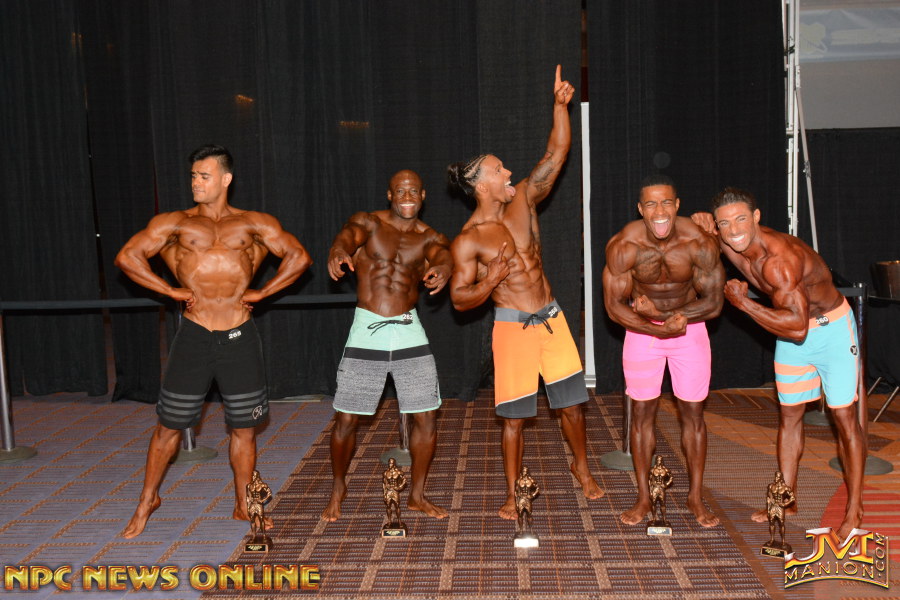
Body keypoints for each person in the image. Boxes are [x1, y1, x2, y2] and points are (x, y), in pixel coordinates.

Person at [115, 144, 311, 538]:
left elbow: (299, 257)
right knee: (169, 426)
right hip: (195, 334)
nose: (196, 182)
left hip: (239, 336)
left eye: (204, 176)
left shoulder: (253, 223)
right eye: (193, 175)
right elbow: (127, 257)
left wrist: (264, 291)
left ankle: (244, 502)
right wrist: (167, 290)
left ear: (226, 179)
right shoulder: (176, 223)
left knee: (244, 429)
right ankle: (147, 500)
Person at [447, 65, 603, 520]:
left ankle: (581, 466)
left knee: (572, 406)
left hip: (551, 319)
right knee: (513, 419)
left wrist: (560, 107)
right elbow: (459, 299)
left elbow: (556, 153)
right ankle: (513, 491)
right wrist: (491, 280)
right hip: (512, 328)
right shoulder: (468, 239)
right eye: (499, 170)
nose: (509, 171)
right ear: (481, 185)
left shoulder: (524, 200)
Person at [693, 187, 865, 540]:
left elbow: (798, 327)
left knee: (844, 417)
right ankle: (785, 499)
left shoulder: (779, 261)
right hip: (789, 332)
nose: (734, 230)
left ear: (757, 217)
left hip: (829, 330)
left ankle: (855, 508)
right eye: (725, 223)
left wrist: (744, 304)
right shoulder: (729, 238)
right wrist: (699, 221)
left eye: (741, 219)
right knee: (789, 415)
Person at [322, 169, 452, 521]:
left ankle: (417, 495)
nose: (407, 196)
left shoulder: (429, 236)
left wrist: (444, 268)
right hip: (368, 329)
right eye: (400, 191)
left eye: (413, 191)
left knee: (426, 415)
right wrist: (338, 249)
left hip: (408, 329)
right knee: (347, 418)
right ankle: (338, 487)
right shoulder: (370, 223)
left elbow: (443, 254)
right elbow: (348, 235)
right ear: (390, 195)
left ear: (423, 196)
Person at [602, 175, 724, 527]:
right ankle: (643, 496)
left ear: (677, 204)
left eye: (666, 202)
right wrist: (656, 325)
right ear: (640, 209)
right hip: (643, 333)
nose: (660, 211)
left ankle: (695, 497)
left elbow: (714, 302)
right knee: (641, 414)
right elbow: (613, 307)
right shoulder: (624, 245)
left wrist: (670, 318)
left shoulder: (697, 241)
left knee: (693, 414)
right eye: (651, 204)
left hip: (690, 328)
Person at [246, 470, 273, 539]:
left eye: (254, 475)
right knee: (252, 520)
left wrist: (262, 500)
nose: (253, 477)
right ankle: (254, 536)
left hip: (258, 504)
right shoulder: (249, 486)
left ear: (257, 476)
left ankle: (264, 535)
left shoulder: (262, 485)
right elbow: (248, 497)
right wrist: (248, 507)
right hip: (252, 504)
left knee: (261, 519)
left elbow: (269, 493)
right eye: (252, 476)